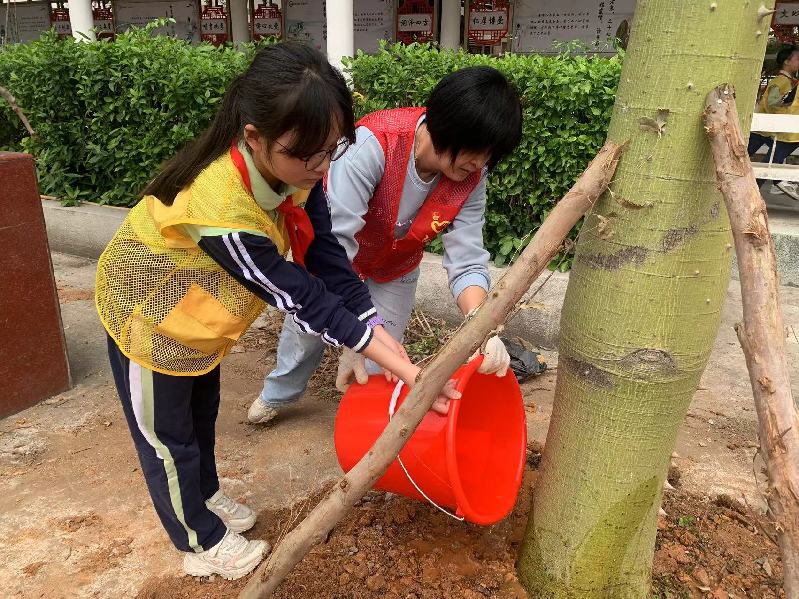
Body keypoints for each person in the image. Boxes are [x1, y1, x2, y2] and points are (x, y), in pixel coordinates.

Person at [95, 42, 459, 580]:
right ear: (255, 139)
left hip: (200, 318)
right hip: (147, 318)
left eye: (332, 150)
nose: (320, 167)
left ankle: (207, 497)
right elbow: (300, 295)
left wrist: (379, 331)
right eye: (305, 155)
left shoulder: (296, 171)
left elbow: (326, 257)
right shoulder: (221, 208)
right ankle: (196, 540)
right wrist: (403, 368)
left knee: (200, 414)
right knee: (166, 437)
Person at [248, 66, 523, 425]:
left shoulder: (472, 176)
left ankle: (365, 422)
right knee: (307, 332)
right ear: (446, 127)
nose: (479, 164)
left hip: (396, 268)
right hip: (337, 261)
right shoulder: (374, 145)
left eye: (489, 156)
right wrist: (352, 335)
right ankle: (279, 392)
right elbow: (335, 243)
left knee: (386, 354)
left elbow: (467, 257)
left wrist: (479, 325)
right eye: (474, 151)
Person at [749, 45, 799, 199]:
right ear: (786, 62)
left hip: (770, 128)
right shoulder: (782, 81)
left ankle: (773, 182)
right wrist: (787, 102)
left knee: (769, 158)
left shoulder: (787, 81)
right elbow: (772, 101)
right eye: (798, 59)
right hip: (768, 127)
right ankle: (775, 182)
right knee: (761, 158)